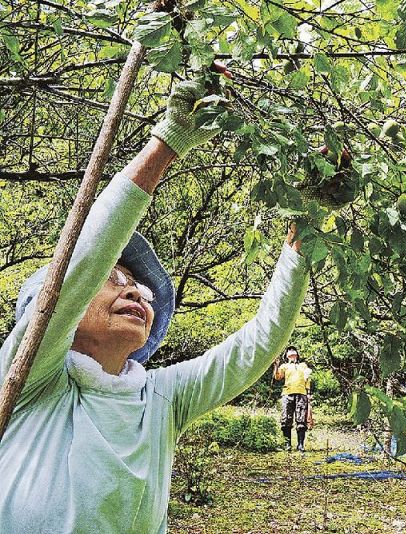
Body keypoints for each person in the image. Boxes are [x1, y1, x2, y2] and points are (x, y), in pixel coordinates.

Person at [0, 74, 312, 533]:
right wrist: (168, 141)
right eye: (112, 279)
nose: (133, 291)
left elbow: (257, 345)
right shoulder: (30, 375)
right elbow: (80, 265)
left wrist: (302, 234)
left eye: (138, 287)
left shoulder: (160, 398)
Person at [273, 345, 312, 451]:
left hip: (302, 394)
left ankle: (300, 444)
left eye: (293, 351)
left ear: (297, 354)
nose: (291, 353)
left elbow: (307, 379)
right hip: (287, 394)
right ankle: (287, 444)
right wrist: (276, 366)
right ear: (286, 356)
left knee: (301, 420)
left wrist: (308, 393)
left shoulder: (303, 366)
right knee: (286, 419)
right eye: (289, 352)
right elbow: (277, 377)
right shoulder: (284, 366)